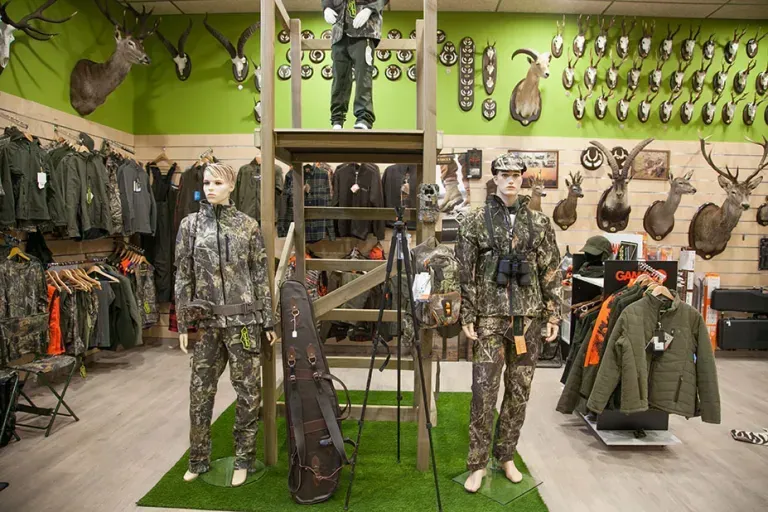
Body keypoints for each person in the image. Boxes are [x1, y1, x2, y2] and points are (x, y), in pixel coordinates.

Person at [455, 153, 563, 492]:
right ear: (495, 178)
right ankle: (477, 464)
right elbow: (465, 270)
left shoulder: (540, 223)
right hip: (489, 318)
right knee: (483, 392)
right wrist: (468, 313)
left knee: (519, 391)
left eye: (517, 174)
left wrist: (553, 312)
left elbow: (551, 270)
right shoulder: (474, 220)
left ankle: (506, 455)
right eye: (505, 174)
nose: (511, 180)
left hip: (527, 321)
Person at [174, 163, 276, 487]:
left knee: (247, 393)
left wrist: (268, 319)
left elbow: (261, 273)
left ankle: (244, 458)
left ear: (232, 186)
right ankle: (198, 458)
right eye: (206, 182)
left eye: (218, 182)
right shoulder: (189, 226)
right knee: (199, 394)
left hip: (243, 323)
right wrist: (181, 323)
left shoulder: (248, 226)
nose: (210, 188)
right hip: (207, 325)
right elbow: (182, 275)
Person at [322, 0, 389, 130]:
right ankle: (337, 119)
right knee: (339, 77)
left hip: (364, 30)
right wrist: (326, 8)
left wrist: (369, 9)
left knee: (362, 75)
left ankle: (364, 118)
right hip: (339, 32)